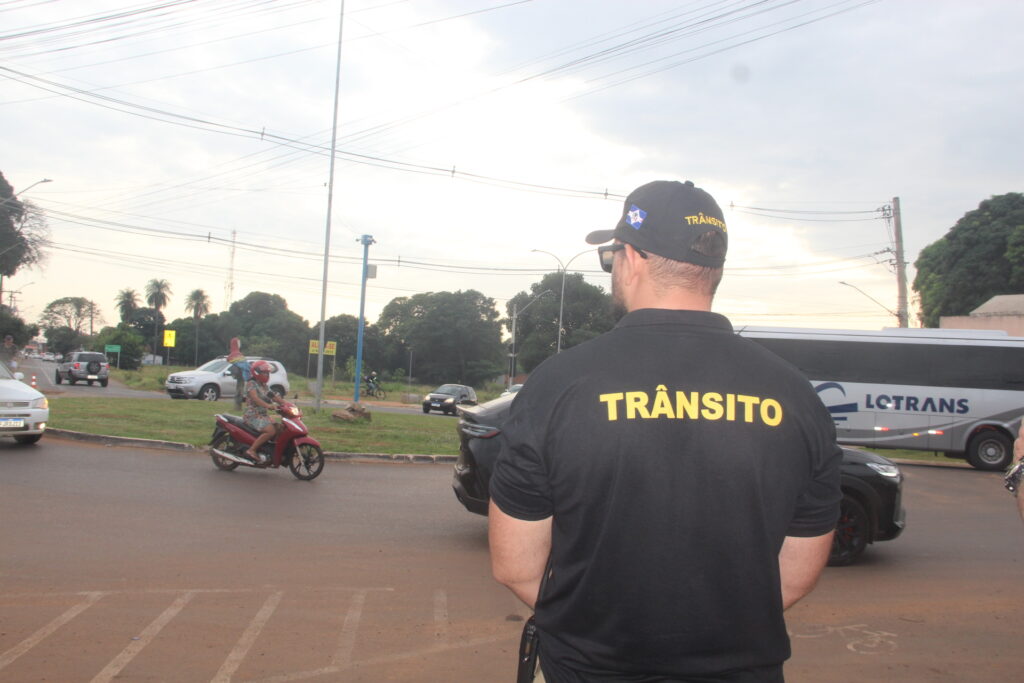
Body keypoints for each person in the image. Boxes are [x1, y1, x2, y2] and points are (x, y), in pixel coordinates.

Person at [488, 180, 843, 683]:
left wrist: (602, 634)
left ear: (631, 259)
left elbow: (516, 567)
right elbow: (796, 574)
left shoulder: (558, 385)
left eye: (610, 258)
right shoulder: (797, 395)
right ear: (712, 272)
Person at [243, 360, 284, 463]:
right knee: (271, 431)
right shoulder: (251, 384)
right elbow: (255, 398)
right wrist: (268, 406)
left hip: (262, 415)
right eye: (264, 373)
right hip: (252, 415)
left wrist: (287, 404)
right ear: (257, 373)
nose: (266, 375)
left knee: (280, 428)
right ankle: (251, 450)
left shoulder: (264, 386)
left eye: (267, 373)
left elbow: (274, 396)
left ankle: (270, 450)